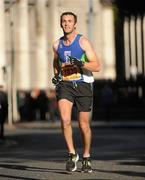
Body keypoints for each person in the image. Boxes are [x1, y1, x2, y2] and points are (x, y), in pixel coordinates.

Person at [52, 12, 101, 173]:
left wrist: (80, 63)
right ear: (61, 24)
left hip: (83, 85)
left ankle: (86, 156)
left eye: (69, 21)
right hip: (65, 85)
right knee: (65, 120)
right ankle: (72, 154)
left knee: (83, 125)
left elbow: (97, 66)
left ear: (75, 24)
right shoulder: (56, 44)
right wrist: (57, 76)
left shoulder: (83, 41)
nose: (66, 24)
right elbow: (55, 63)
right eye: (64, 21)